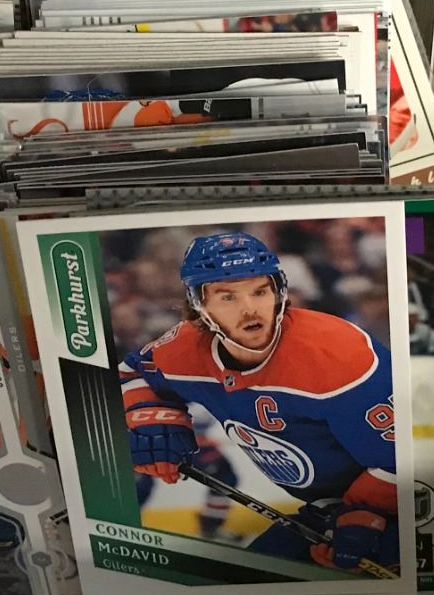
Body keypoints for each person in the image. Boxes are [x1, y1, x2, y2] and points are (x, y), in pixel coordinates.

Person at [116, 232, 400, 573]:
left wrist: (365, 513)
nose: (249, 308)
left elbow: (402, 457)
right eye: (227, 297)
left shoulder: (338, 355)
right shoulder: (183, 349)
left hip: (400, 505)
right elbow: (133, 371)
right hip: (324, 511)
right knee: (246, 581)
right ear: (198, 305)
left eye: (260, 292)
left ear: (279, 292)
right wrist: (152, 419)